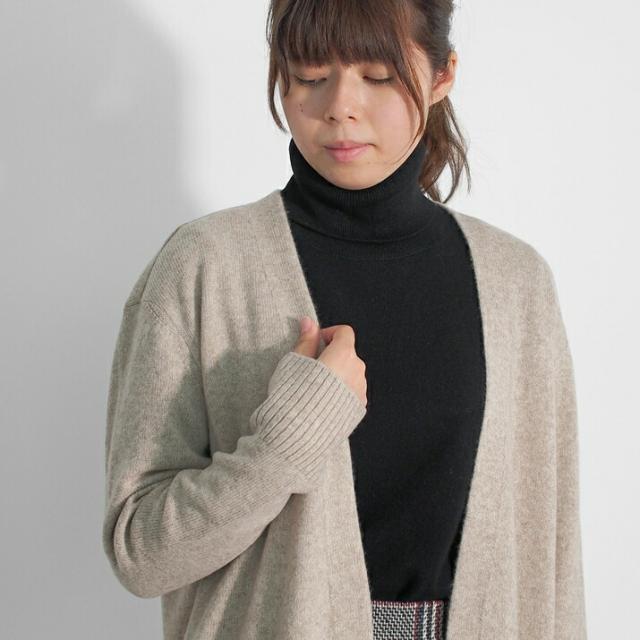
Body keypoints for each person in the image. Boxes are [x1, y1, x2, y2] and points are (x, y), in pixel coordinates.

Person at [102, 2, 588, 639]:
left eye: (378, 76)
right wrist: (286, 442)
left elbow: (554, 563)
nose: (340, 107)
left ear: (442, 75)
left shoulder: (516, 284)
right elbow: (141, 554)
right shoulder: (204, 267)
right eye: (310, 76)